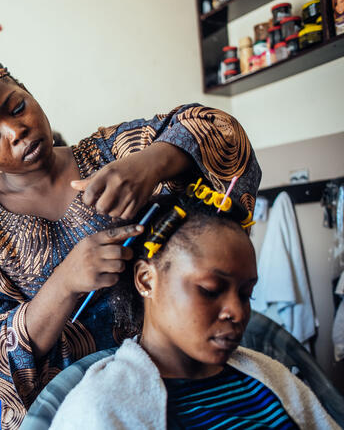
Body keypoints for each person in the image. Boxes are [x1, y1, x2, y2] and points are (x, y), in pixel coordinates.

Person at [0, 52, 261, 429]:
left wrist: (151, 163)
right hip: (64, 411)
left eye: (17, 106)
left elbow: (221, 131)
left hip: (169, 381)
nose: (15, 130)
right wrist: (64, 283)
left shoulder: (111, 151)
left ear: (28, 92)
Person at [50, 184, 340, 430]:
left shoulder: (271, 380)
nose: (237, 313)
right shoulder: (100, 406)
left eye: (246, 294)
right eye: (210, 290)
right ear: (146, 280)